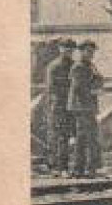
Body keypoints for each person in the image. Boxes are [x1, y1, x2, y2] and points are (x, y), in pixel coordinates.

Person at [66, 40, 105, 177]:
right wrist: (93, 90)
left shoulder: (90, 66)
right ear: (81, 51)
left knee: (84, 138)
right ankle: (85, 169)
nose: (91, 54)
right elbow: (79, 88)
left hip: (88, 107)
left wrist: (96, 84)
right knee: (87, 138)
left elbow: (100, 80)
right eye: (88, 51)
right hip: (81, 107)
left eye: (92, 52)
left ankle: (81, 169)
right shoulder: (78, 67)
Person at [42, 39, 77, 175]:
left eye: (70, 49)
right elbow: (50, 88)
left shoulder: (74, 65)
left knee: (66, 136)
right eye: (65, 48)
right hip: (57, 105)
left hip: (71, 105)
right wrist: (52, 106)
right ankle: (55, 166)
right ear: (60, 49)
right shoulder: (54, 66)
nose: (68, 51)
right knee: (56, 135)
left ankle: (63, 165)